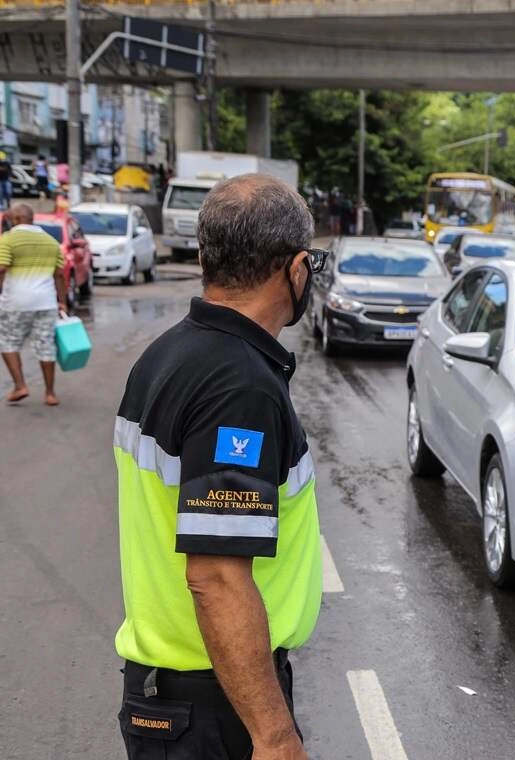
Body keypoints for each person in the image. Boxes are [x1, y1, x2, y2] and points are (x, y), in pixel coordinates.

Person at [114, 174, 326, 760]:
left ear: (207, 256)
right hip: (213, 704)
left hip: (175, 696)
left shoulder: (169, 353)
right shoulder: (239, 388)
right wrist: (274, 735)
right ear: (297, 268)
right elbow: (217, 577)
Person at [0, 203, 67, 405]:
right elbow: (60, 275)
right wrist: (62, 302)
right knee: (45, 346)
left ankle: (20, 385)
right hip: (46, 302)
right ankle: (50, 393)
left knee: (8, 342)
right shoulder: (50, 241)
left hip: (16, 302)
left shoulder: (8, 239)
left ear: (18, 219)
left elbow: (1, 268)